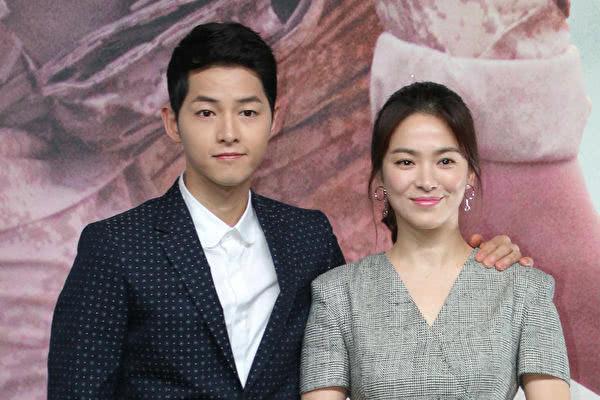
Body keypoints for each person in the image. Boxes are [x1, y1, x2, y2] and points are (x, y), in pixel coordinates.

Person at [47, 23, 528, 399]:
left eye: (248, 112)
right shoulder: (115, 247)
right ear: (172, 123)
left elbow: (370, 340)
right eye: (207, 112)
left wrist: (476, 269)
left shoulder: (307, 237)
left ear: (275, 119)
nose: (229, 132)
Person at [300, 82, 570, 400]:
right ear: (380, 176)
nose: (426, 181)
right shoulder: (336, 295)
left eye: (445, 161)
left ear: (470, 174)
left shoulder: (525, 290)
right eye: (406, 162)